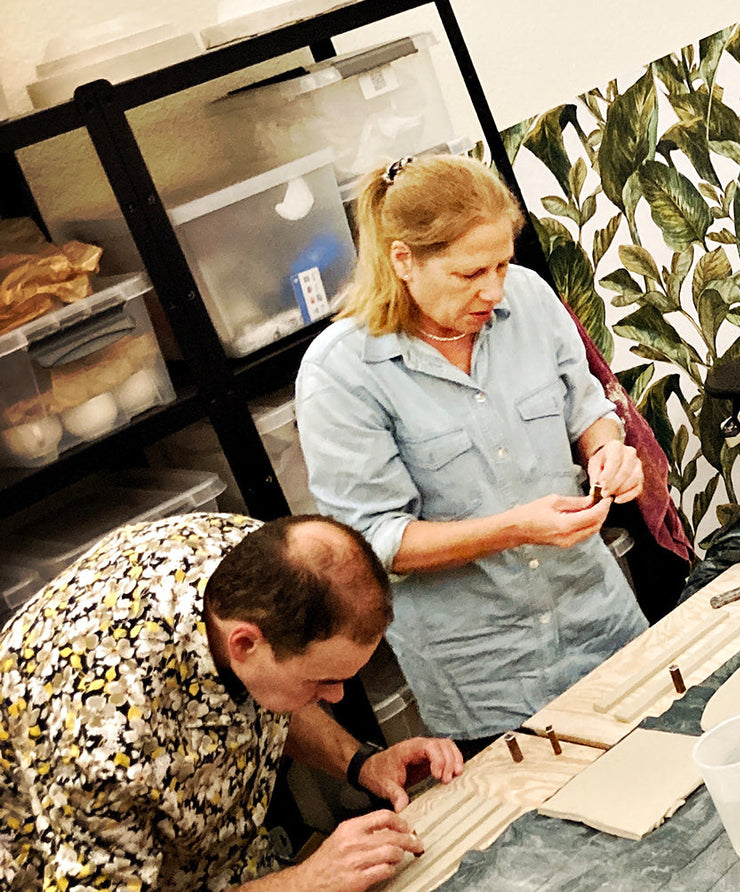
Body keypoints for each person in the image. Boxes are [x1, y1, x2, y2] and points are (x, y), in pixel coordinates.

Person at [296, 155, 648, 756]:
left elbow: (588, 408)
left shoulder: (529, 299)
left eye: (503, 264)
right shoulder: (341, 374)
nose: (494, 289)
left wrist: (610, 453)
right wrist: (514, 529)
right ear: (403, 259)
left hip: (602, 622)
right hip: (488, 678)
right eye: (468, 274)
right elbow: (377, 543)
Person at [0, 513, 465, 891]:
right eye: (321, 680)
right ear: (244, 644)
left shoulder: (248, 559)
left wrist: (362, 763)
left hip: (226, 859)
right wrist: (306, 881)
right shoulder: (100, 734)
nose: (337, 696)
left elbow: (263, 692)